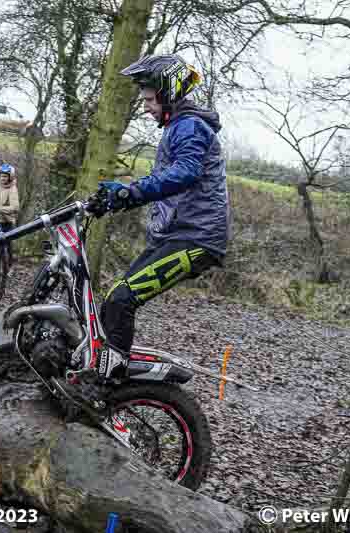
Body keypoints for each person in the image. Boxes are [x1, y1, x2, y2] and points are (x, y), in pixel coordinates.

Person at [93, 54, 230, 381]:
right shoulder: (178, 127)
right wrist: (116, 199)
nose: (145, 106)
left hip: (197, 238)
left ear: (170, 93)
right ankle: (105, 373)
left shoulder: (190, 127)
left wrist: (130, 193)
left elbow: (185, 172)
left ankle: (109, 386)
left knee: (121, 300)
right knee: (113, 300)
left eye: (150, 98)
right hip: (176, 236)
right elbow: (169, 187)